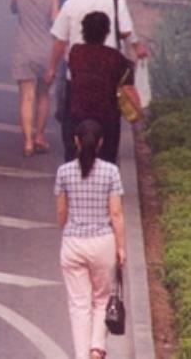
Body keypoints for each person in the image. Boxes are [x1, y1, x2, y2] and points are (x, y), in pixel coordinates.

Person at [44, 0, 148, 161]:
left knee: (72, 125)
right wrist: (138, 48)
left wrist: (52, 69)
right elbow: (127, 32)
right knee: (109, 130)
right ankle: (107, 166)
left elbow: (59, 42)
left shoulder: (71, 4)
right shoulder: (115, 2)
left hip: (77, 79)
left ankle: (74, 163)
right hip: (107, 82)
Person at [54, 119, 126, 359]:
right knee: (101, 299)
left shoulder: (64, 172)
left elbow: (61, 213)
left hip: (73, 244)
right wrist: (121, 247)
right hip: (103, 243)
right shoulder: (111, 172)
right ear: (101, 143)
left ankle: (81, 355)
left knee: (79, 305)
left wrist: (68, 232)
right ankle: (97, 347)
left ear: (76, 141)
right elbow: (116, 214)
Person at [68, 12, 143, 162]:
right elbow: (128, 88)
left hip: (78, 113)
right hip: (107, 117)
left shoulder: (75, 52)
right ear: (107, 32)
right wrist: (139, 114)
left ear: (83, 31)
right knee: (106, 160)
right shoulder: (116, 58)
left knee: (75, 158)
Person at [10, 0, 59, 156]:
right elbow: (55, 20)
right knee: (43, 95)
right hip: (45, 50)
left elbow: (13, 10)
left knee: (26, 97)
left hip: (23, 50)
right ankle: (39, 136)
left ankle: (28, 142)